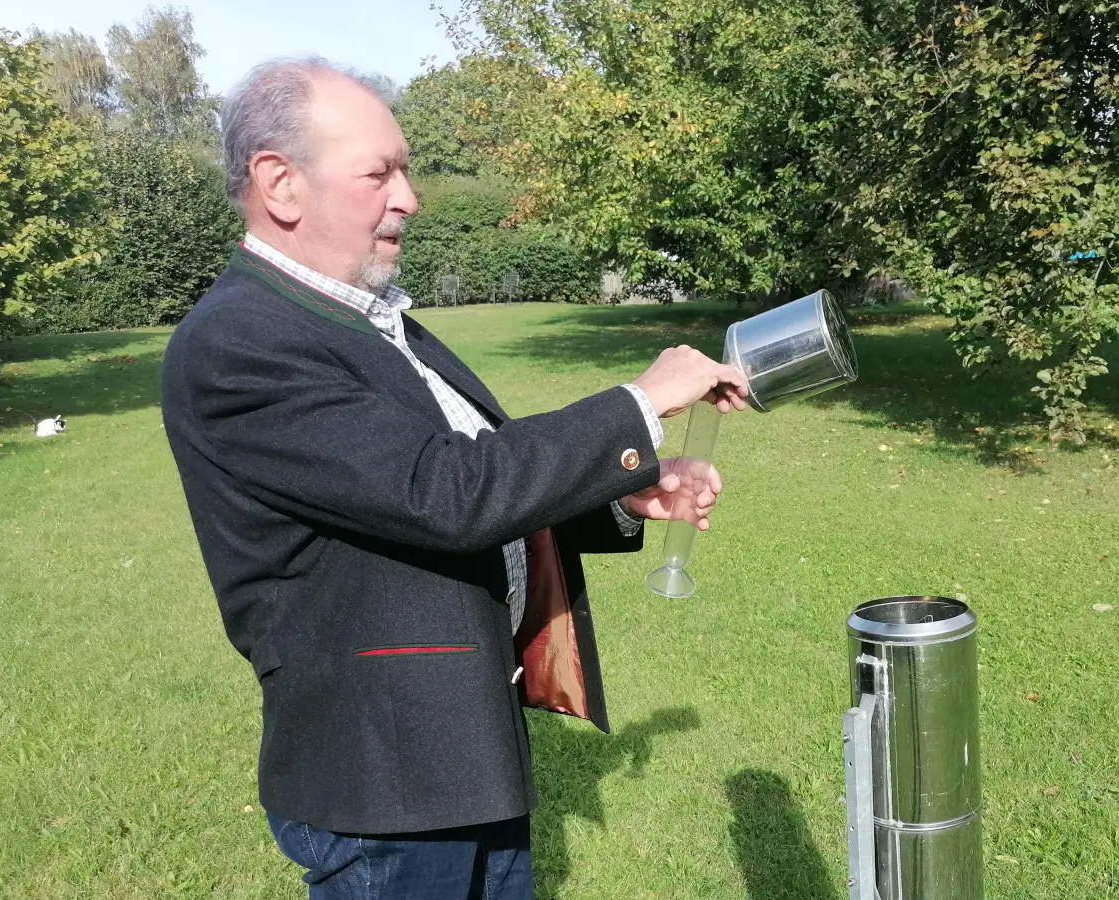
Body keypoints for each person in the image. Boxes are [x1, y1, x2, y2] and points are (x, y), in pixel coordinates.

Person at [159, 57, 749, 900]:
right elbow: (445, 494)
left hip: (461, 747)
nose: (409, 197)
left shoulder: (370, 322)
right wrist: (641, 403)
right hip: (386, 783)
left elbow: (471, 482)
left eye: (405, 168)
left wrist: (619, 491)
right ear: (280, 184)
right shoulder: (240, 343)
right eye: (379, 172)